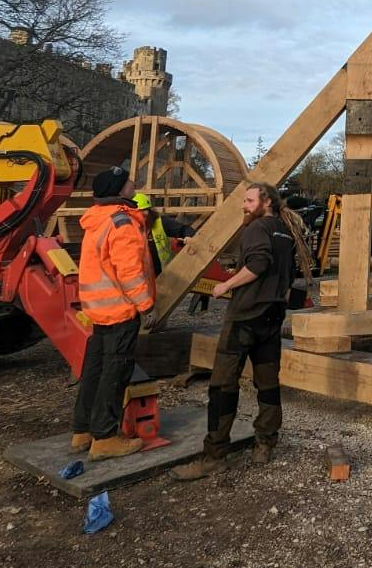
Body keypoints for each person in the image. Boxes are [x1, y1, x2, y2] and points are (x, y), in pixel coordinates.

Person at [172, 181, 296, 479]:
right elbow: (287, 274)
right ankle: (265, 444)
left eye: (249, 199)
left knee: (222, 385)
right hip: (272, 316)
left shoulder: (256, 229)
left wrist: (226, 284)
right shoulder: (286, 231)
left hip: (245, 318)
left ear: (266, 201)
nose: (244, 204)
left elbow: (258, 264)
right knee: (267, 383)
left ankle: (214, 455)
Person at [69, 165, 156, 459]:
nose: (133, 183)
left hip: (98, 309)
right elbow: (129, 271)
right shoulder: (122, 223)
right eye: (128, 181)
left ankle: (82, 430)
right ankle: (105, 436)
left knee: (94, 369)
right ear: (120, 191)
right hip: (120, 309)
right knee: (115, 372)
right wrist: (146, 305)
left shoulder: (97, 220)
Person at [132, 191, 196, 276]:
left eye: (144, 211)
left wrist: (189, 236)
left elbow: (184, 229)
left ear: (150, 211)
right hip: (140, 277)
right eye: (137, 213)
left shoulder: (161, 222)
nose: (141, 216)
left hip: (164, 276)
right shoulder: (126, 228)